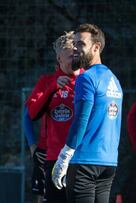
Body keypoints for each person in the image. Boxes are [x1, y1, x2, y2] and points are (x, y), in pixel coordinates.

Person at [52, 23, 123, 203]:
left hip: (84, 162)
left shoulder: (87, 77)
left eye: (81, 44)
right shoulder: (114, 80)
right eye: (74, 44)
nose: (75, 49)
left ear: (96, 47)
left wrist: (64, 156)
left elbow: (81, 119)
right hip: (108, 163)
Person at [26, 31, 83, 202]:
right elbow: (30, 114)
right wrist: (52, 89)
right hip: (53, 157)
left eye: (76, 54)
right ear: (59, 58)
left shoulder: (88, 79)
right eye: (69, 55)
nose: (74, 58)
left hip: (82, 157)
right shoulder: (47, 82)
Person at [23, 106, 47, 203]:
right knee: (41, 194)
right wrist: (32, 144)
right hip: (44, 153)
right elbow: (26, 117)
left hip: (68, 154)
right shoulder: (44, 91)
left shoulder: (78, 91)